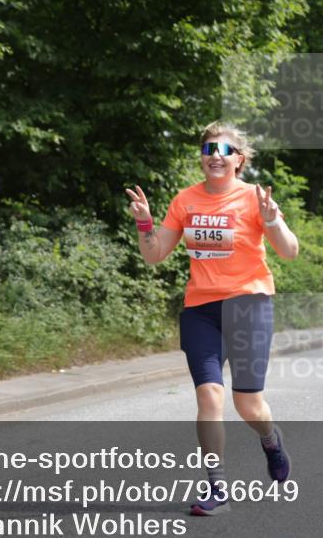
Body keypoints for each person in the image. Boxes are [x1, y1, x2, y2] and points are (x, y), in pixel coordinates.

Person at [125, 122, 298, 516]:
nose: (215, 154)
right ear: (202, 157)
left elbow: (289, 251)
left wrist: (272, 220)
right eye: (208, 148)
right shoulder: (185, 200)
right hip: (201, 310)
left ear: (238, 159)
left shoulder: (255, 198)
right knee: (208, 396)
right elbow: (155, 255)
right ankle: (217, 489)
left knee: (248, 406)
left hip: (249, 305)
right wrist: (144, 223)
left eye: (224, 149)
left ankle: (270, 439)